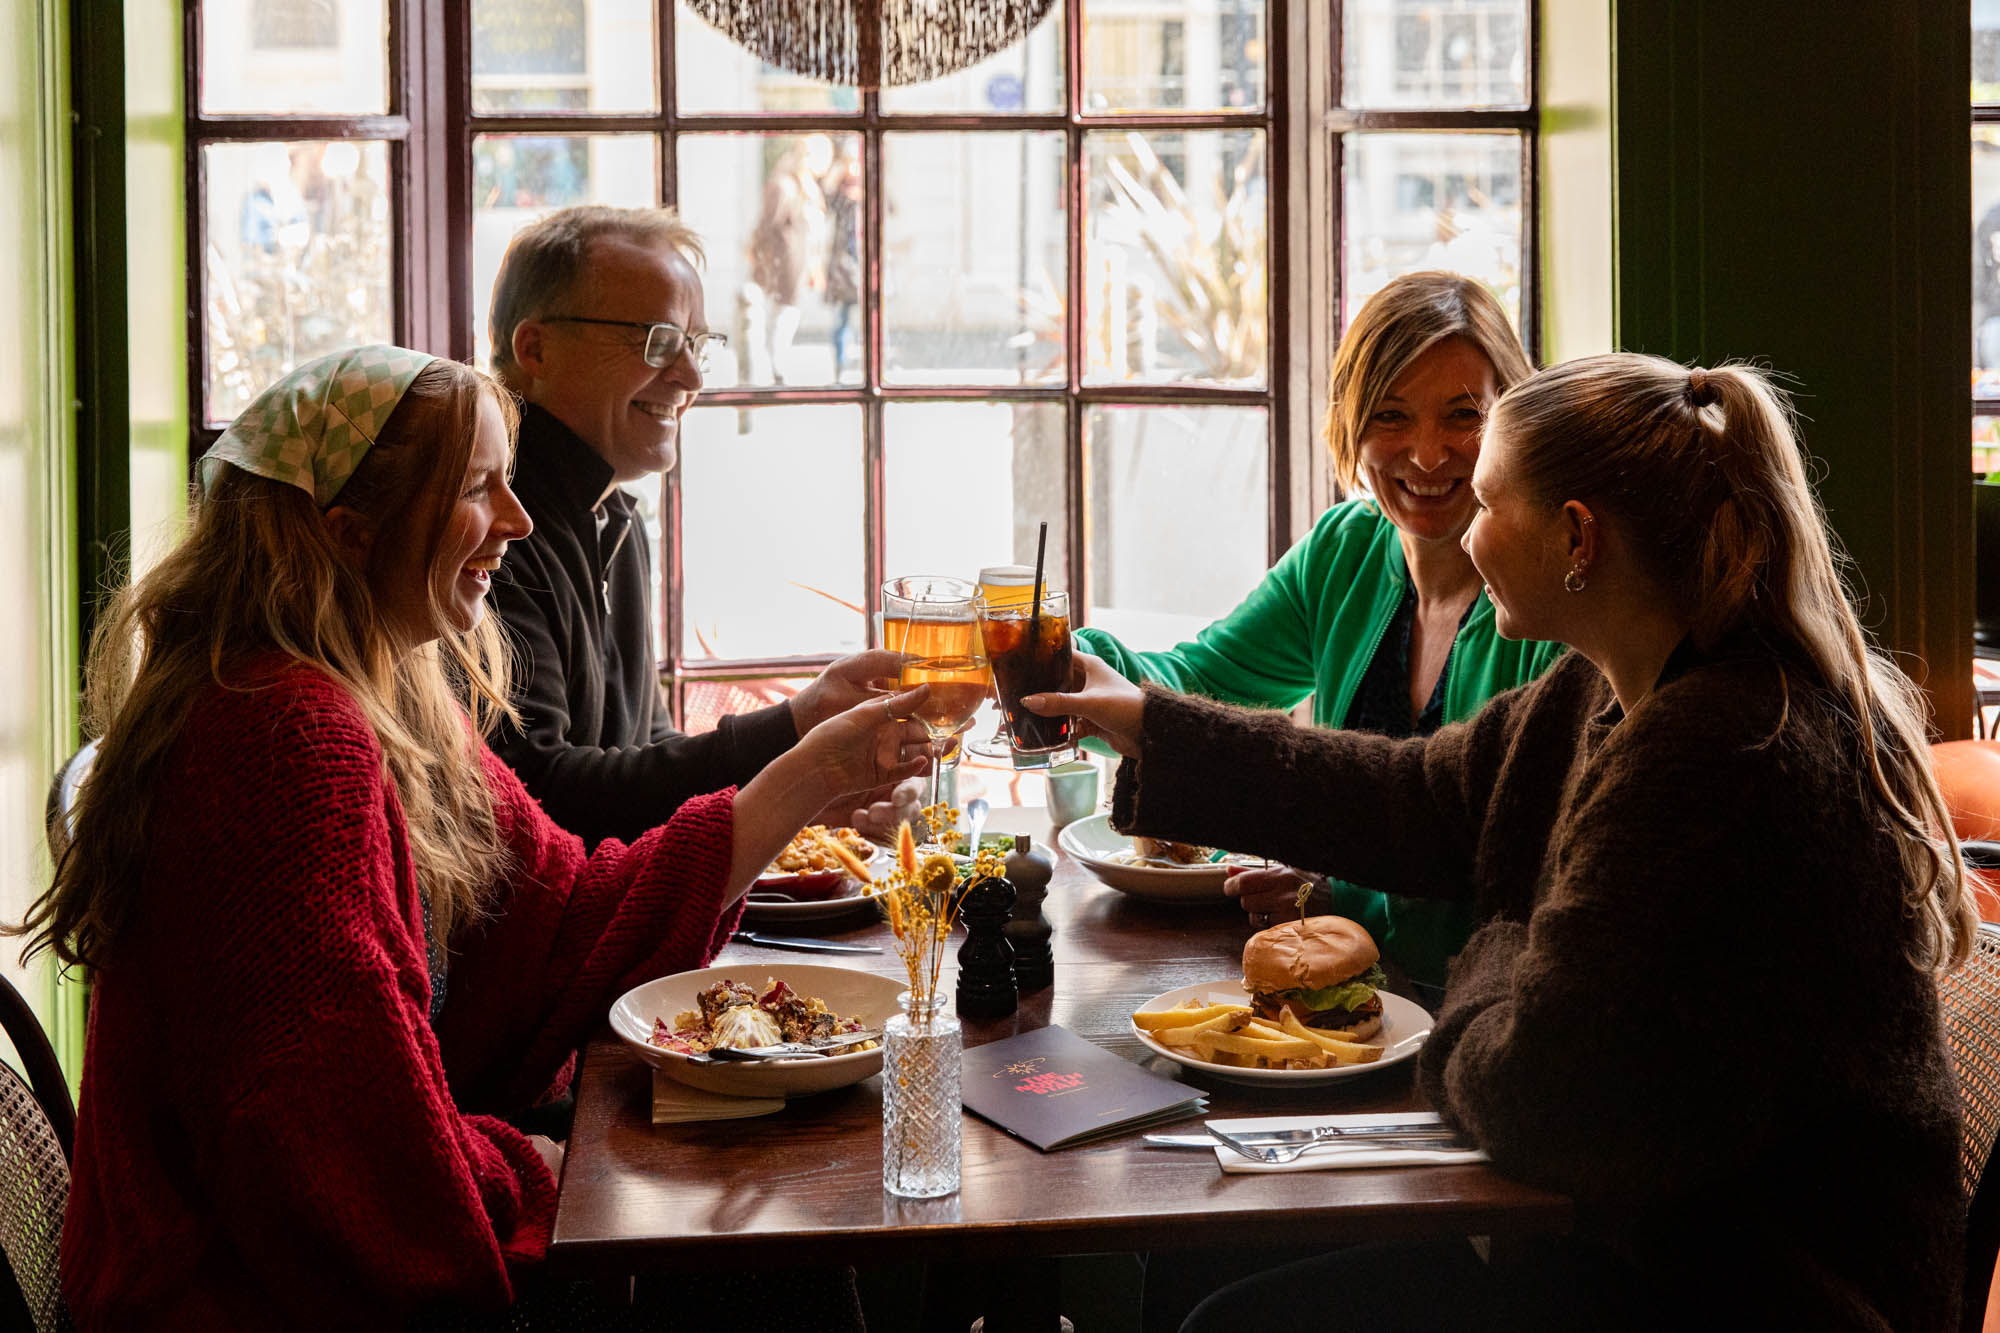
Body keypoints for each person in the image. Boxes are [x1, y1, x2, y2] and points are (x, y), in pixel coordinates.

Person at [1033, 354, 1973, 1331]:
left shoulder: (1717, 749)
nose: (1462, 532)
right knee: (1203, 1279)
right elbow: (1414, 798)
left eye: (1486, 501)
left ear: (1574, 536)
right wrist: (1142, 718)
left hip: (1757, 1288)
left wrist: (1494, 947)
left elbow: (1538, 1100)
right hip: (1637, 1238)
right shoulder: (1605, 688)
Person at [12, 346, 930, 1329]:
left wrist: (808, 781)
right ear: (350, 532)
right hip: (236, 1296)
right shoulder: (281, 741)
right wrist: (520, 1170)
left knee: (771, 1226)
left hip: (297, 1252)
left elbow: (564, 911)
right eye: (479, 488)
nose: (521, 520)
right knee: (774, 1249)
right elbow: (335, 1149)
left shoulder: (381, 690)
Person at [1073, 271, 1562, 991]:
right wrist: (1065, 658)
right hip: (1350, 1006)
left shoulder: (1548, 603)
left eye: (1463, 415)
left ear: (1514, 418)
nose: (1426, 455)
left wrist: (1345, 895)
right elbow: (1201, 682)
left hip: (1484, 1018)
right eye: (1391, 417)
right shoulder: (1347, 551)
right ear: (1349, 424)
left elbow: (1521, 872)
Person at [487, 204, 908, 848]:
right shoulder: (489, 533)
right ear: (535, 348)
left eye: (696, 344)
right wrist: (798, 735)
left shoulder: (612, 514)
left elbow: (644, 748)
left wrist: (813, 789)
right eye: (657, 340)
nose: (690, 376)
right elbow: (544, 795)